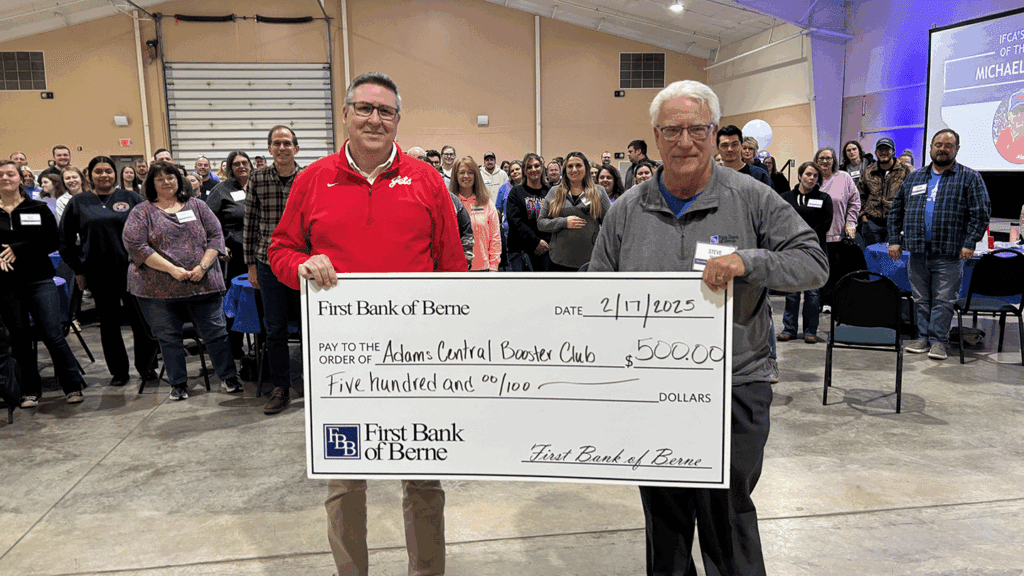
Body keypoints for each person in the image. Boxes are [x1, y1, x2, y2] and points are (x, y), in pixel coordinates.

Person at [589, 79, 828, 576]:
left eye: (697, 129)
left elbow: (813, 263)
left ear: (715, 133)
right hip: (649, 390)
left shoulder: (752, 197)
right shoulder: (627, 210)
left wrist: (749, 261)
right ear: (656, 137)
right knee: (665, 520)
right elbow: (596, 288)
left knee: (728, 517)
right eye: (672, 130)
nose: (685, 142)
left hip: (734, 385)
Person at [266, 71, 464, 576]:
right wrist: (302, 264)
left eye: (386, 111)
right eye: (365, 109)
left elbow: (452, 266)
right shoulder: (314, 179)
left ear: (398, 119)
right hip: (342, 360)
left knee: (423, 479)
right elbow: (280, 250)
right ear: (346, 115)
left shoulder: (426, 180)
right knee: (345, 480)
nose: (375, 119)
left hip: (417, 356)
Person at [123, 161, 241, 401]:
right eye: (160, 179)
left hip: (202, 283)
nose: (166, 182)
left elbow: (216, 235)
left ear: (179, 180)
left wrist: (203, 266)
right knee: (168, 338)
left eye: (171, 177)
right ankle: (178, 383)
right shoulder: (141, 212)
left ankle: (229, 377)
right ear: (151, 184)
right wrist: (172, 270)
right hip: (157, 289)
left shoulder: (198, 206)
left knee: (216, 333)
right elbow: (136, 246)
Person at [888, 129, 991, 360]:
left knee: (943, 301)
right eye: (938, 144)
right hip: (917, 251)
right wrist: (894, 240)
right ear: (931, 147)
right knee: (921, 299)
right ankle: (923, 338)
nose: (942, 149)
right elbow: (896, 210)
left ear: (957, 149)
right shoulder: (915, 177)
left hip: (950, 252)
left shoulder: (969, 177)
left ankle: (938, 342)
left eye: (948, 145)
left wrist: (970, 242)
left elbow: (981, 213)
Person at [59, 156, 157, 386]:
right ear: (89, 176)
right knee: (109, 325)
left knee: (141, 322)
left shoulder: (131, 198)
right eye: (98, 171)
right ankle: (119, 372)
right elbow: (64, 240)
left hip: (134, 271)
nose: (104, 175)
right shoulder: (79, 202)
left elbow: (151, 230)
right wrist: (78, 269)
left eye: (108, 171)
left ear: (115, 173)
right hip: (99, 274)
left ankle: (147, 367)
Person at [0, 160, 87, 407]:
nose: (5, 178)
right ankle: (29, 391)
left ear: (20, 178)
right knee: (19, 339)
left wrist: (19, 248)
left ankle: (72, 386)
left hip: (39, 280)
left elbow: (52, 241)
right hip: (7, 284)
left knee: (53, 334)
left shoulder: (37, 208)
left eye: (10, 174)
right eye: (1, 175)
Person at [243, 125, 304, 415]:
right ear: (269, 149)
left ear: (296, 148)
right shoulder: (257, 178)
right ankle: (281, 388)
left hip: (302, 264)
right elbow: (250, 222)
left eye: (287, 143)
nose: (282, 148)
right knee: (275, 329)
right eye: (276, 143)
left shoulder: (308, 177)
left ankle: (316, 383)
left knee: (310, 327)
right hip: (268, 264)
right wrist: (251, 265)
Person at [778, 161, 833, 343]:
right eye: (808, 174)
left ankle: (810, 331)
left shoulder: (824, 198)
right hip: (792, 249)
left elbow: (826, 223)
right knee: (792, 292)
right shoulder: (786, 198)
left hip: (815, 250)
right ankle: (789, 328)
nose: (811, 178)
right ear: (800, 176)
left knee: (812, 293)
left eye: (815, 176)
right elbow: (781, 221)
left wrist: (806, 237)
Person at [207, 150, 252, 359]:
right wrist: (220, 245)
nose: (241, 166)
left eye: (244, 162)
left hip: (260, 254)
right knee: (236, 304)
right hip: (234, 257)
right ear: (230, 168)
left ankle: (262, 347)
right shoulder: (221, 190)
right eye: (236, 164)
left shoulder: (258, 186)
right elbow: (209, 222)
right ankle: (234, 348)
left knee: (261, 303)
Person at [538, 152, 610, 271]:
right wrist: (563, 222)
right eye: (570, 166)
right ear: (565, 170)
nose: (574, 169)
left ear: (586, 168)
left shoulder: (598, 192)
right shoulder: (554, 192)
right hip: (558, 260)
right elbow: (541, 223)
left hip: (590, 261)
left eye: (578, 165)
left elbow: (610, 224)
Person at [815, 146, 860, 309]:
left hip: (838, 233)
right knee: (819, 269)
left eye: (828, 158)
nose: (825, 161)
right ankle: (821, 301)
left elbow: (855, 202)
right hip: (816, 234)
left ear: (834, 160)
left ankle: (834, 301)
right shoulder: (813, 178)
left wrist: (850, 223)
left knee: (836, 269)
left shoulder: (844, 177)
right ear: (816, 161)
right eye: (821, 158)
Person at [858, 137, 912, 246]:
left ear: (893, 151)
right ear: (876, 153)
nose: (883, 152)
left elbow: (912, 196)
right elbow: (860, 195)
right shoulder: (868, 171)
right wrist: (863, 215)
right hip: (871, 223)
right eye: (880, 149)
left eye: (887, 149)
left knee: (892, 255)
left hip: (895, 223)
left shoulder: (905, 170)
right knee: (872, 254)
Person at [452, 156, 501, 271]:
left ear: (476, 176)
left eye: (470, 172)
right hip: (456, 269)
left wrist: (494, 267)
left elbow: (495, 237)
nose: (466, 176)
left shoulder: (486, 202)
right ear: (456, 176)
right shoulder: (450, 203)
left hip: (483, 268)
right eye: (462, 172)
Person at [505, 153, 552, 271]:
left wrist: (544, 243)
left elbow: (554, 219)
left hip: (545, 249)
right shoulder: (516, 192)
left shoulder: (550, 192)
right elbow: (515, 222)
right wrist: (535, 242)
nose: (533, 169)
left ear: (542, 167)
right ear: (524, 171)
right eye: (529, 167)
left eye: (537, 166)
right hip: (520, 250)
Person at [996, 89, 1024, 163]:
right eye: (1015, 111)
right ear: (1008, 116)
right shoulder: (1003, 135)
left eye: (1023, 111)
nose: (1020, 115)